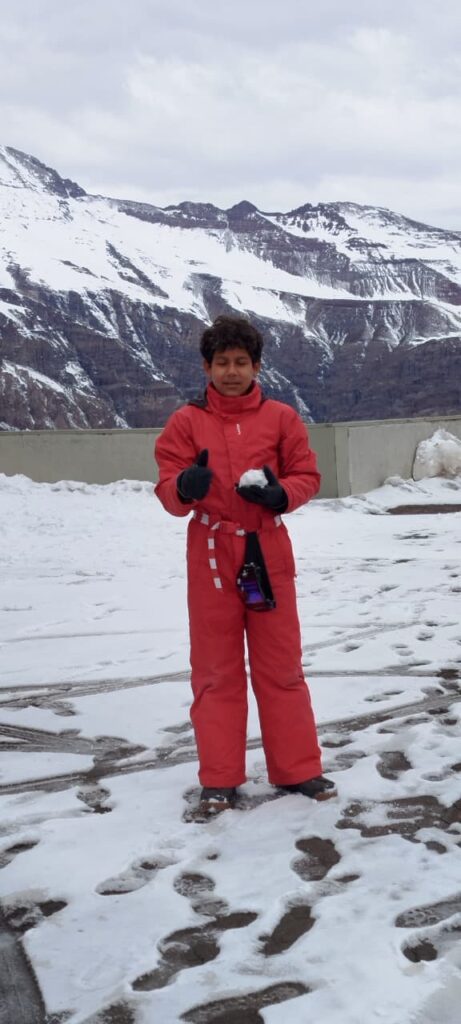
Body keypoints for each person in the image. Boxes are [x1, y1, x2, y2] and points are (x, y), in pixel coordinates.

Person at [154, 314, 336, 815]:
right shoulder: (186, 422)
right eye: (221, 362)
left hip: (266, 551)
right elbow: (168, 486)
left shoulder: (281, 417)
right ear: (207, 367)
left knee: (281, 665)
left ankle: (298, 768)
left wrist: (282, 494)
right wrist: (184, 489)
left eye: (240, 362)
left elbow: (307, 474)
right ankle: (220, 777)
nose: (231, 371)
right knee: (215, 671)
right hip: (211, 554)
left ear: (256, 366)